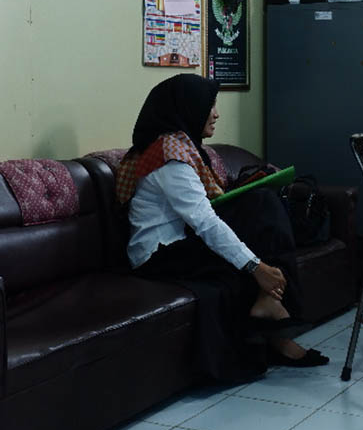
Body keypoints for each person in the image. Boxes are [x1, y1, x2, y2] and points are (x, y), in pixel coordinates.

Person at [117, 74, 327, 383]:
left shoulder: (181, 146)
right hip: (160, 254)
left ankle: (272, 309)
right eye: (209, 106)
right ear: (188, 108)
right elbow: (204, 220)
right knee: (255, 231)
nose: (216, 114)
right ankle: (277, 330)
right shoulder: (168, 157)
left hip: (183, 240)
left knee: (262, 203)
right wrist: (256, 267)